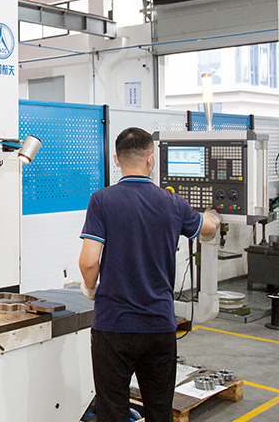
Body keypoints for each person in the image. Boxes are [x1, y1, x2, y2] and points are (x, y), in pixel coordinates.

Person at [78, 127, 220, 422]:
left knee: (112, 410)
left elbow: (89, 262)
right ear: (151, 159)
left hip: (113, 327)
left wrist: (90, 289)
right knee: (159, 410)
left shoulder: (101, 200)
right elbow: (206, 228)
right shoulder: (173, 202)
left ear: (116, 160)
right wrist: (213, 217)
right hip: (158, 325)